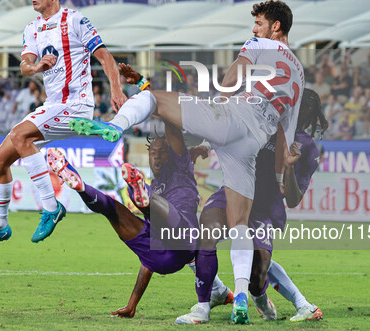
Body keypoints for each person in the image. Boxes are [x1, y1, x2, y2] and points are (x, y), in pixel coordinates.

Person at [70, 0, 303, 324]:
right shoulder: (299, 73)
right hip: (252, 144)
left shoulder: (261, 44)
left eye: (259, 22)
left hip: (235, 118)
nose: (254, 28)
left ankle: (114, 126)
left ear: (275, 26)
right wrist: (280, 172)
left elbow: (238, 69)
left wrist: (220, 101)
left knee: (155, 100)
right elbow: (284, 132)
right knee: (239, 225)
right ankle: (239, 303)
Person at [0, 0, 125, 250]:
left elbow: (104, 56)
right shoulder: (32, 28)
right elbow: (25, 64)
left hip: (75, 104)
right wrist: (36, 66)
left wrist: (116, 89)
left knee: (19, 136)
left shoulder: (75, 20)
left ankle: (51, 207)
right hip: (53, 106)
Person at [176, 89, 327, 324]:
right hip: (233, 192)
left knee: (257, 278)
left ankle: (262, 297)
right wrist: (205, 147)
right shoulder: (263, 122)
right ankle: (203, 307)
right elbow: (228, 128)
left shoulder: (305, 147)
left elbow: (294, 199)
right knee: (207, 231)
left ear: (308, 114)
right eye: (294, 106)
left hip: (264, 208)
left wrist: (288, 168)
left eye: (303, 110)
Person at [46, 130, 233, 319]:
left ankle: (142, 203)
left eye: (162, 152)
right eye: (153, 153)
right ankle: (82, 187)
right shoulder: (158, 186)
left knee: (144, 211)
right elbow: (147, 264)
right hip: (163, 254)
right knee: (114, 210)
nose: (156, 157)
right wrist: (131, 305)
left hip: (179, 241)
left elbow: (180, 129)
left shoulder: (181, 169)